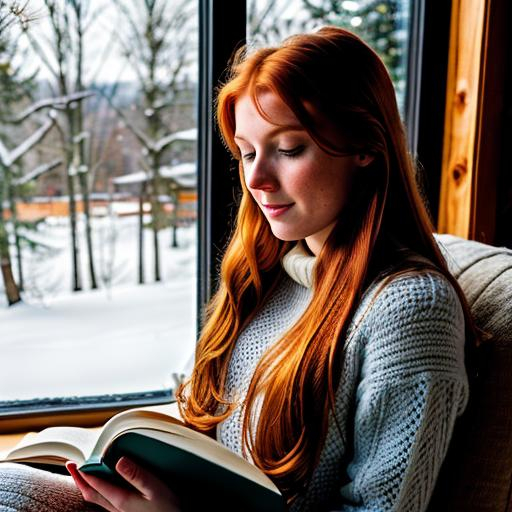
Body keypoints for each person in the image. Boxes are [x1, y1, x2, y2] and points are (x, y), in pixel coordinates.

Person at [0, 26, 477, 512]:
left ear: (365, 147)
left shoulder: (411, 309)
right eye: (247, 153)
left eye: (289, 149)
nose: (256, 179)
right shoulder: (269, 277)